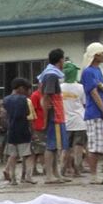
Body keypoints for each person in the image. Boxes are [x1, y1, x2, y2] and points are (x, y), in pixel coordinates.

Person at [81, 42, 103, 182]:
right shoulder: (88, 72)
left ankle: (96, 172)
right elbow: (94, 93)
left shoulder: (99, 71)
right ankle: (93, 174)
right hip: (94, 112)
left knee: (100, 144)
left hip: (101, 111)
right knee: (94, 144)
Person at [37, 48, 69, 183]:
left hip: (57, 114)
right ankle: (49, 175)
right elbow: (46, 95)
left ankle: (56, 173)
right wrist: (45, 114)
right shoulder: (51, 75)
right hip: (54, 115)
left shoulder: (51, 74)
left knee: (56, 146)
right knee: (51, 146)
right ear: (60, 60)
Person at [0, 77, 34, 186]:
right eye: (24, 89)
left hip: (11, 132)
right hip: (23, 130)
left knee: (13, 155)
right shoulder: (24, 100)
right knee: (28, 155)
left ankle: (13, 179)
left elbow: (3, 115)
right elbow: (28, 114)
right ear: (20, 88)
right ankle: (28, 176)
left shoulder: (5, 100)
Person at [60, 61, 87, 175]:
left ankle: (62, 169)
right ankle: (77, 168)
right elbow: (84, 103)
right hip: (79, 121)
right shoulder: (80, 87)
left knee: (65, 148)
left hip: (65, 122)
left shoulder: (60, 87)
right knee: (78, 146)